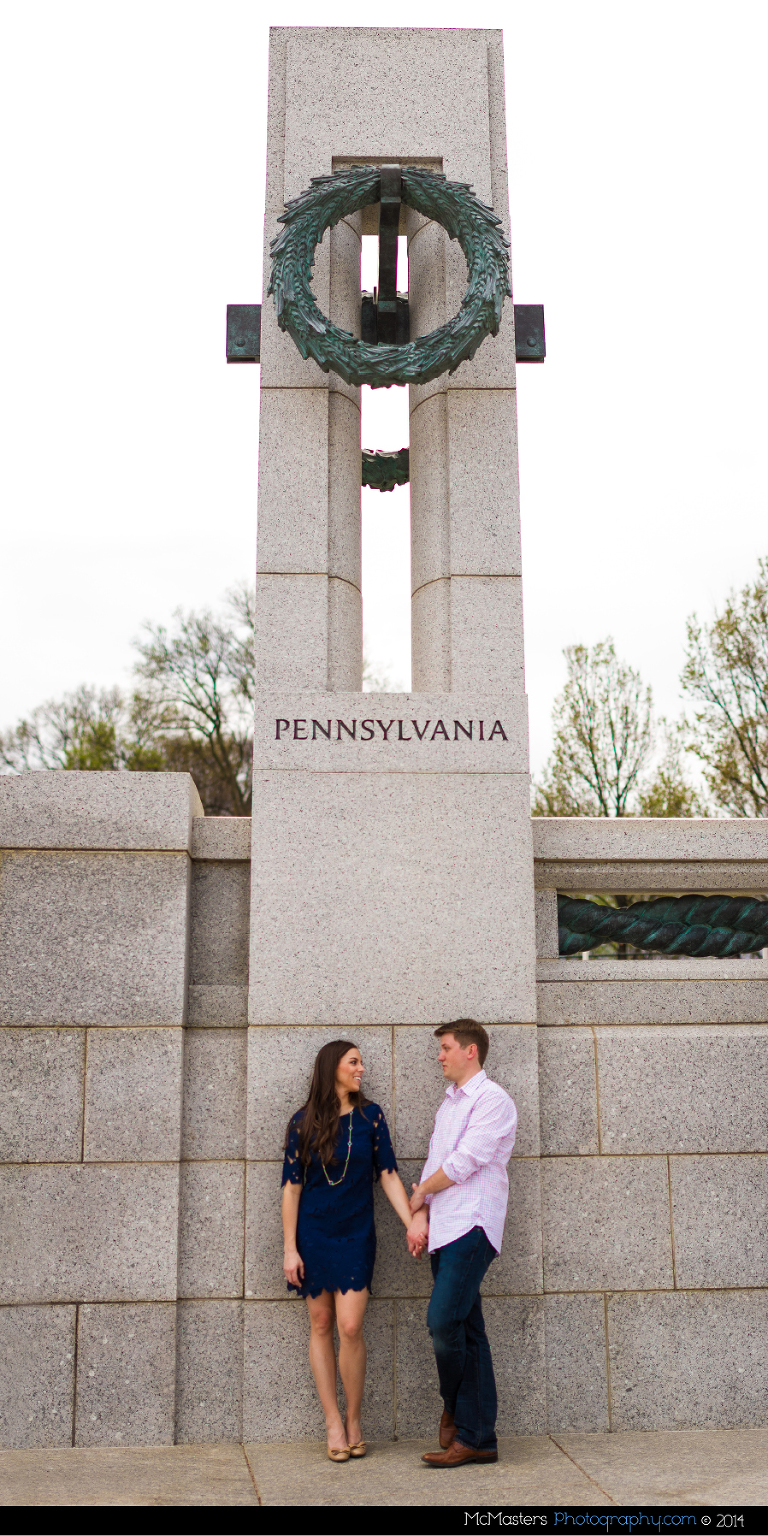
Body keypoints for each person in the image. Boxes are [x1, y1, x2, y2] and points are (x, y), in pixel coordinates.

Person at [282, 1038, 424, 1463]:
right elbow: (291, 1189)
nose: (361, 1069)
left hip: (357, 1232)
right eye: (354, 1062)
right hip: (313, 1233)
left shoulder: (371, 1116)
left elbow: (389, 1174)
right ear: (332, 1069)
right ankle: (333, 1423)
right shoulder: (301, 1122)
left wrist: (412, 1222)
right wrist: (290, 1249)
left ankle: (356, 1418)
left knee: (349, 1326)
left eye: (361, 1063)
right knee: (322, 1322)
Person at [406, 1020, 517, 1468]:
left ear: (471, 1051)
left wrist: (418, 1193)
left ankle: (454, 1406)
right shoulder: (448, 1104)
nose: (440, 1056)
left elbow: (465, 1162)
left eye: (446, 1047)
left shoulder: (494, 1100)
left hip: (473, 1226)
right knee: (468, 1332)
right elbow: (438, 1161)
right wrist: (423, 1217)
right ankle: (478, 1438)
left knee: (442, 1321)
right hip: (445, 1229)